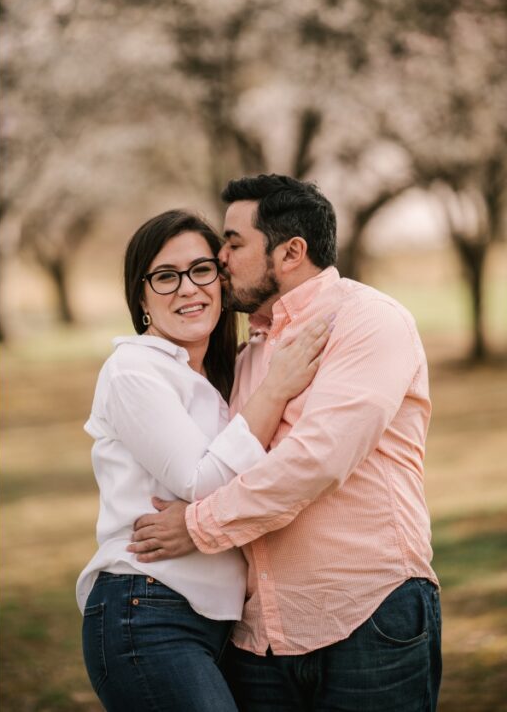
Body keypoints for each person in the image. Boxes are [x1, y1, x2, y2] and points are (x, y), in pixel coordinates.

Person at [129, 175, 441, 712]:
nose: (220, 258)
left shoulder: (368, 321)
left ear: (291, 251)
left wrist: (197, 524)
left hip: (366, 615)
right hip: (261, 638)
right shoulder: (250, 354)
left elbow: (316, 461)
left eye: (233, 242)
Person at [78, 210, 331, 711]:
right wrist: (278, 387)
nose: (188, 288)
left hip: (214, 624)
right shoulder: (133, 370)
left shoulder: (218, 381)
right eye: (166, 276)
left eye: (201, 270)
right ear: (141, 297)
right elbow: (202, 481)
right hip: (146, 611)